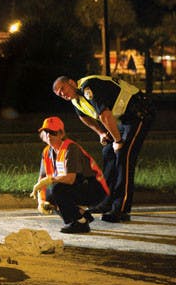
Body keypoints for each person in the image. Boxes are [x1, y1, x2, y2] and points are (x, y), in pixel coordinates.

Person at [53, 75, 155, 223]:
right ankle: (106, 201)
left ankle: (121, 209)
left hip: (140, 112)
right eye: (59, 94)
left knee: (124, 156)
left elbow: (105, 116)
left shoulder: (88, 87)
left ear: (71, 82)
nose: (62, 94)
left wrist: (118, 141)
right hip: (124, 117)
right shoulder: (76, 100)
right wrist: (101, 133)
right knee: (108, 152)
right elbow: (84, 117)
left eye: (62, 89)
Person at [30, 116, 110, 233]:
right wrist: (41, 201)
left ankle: (80, 222)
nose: (48, 136)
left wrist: (49, 180)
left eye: (52, 132)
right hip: (79, 185)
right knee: (49, 195)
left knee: (57, 189)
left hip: (95, 188)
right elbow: (42, 178)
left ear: (61, 134)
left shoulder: (71, 148)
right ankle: (82, 216)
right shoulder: (47, 152)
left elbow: (70, 178)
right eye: (46, 132)